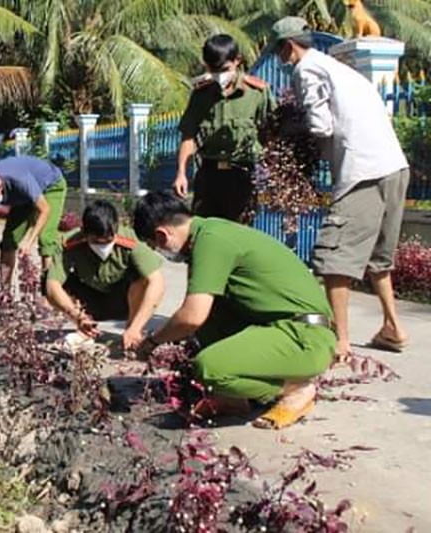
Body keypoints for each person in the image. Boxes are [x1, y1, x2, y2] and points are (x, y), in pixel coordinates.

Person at [132, 192, 336, 429]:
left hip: (304, 338)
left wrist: (151, 342)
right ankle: (232, 399)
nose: (160, 253)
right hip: (289, 330)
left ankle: (294, 389)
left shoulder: (212, 240)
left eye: (154, 246)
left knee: (209, 368)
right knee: (212, 309)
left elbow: (191, 317)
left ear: (161, 235)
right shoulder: (210, 233)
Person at [272, 17, 411, 358]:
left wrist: (293, 132)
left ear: (289, 46)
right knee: (379, 258)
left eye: (278, 51)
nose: (279, 58)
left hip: (361, 170)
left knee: (335, 259)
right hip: (394, 165)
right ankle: (393, 327)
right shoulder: (344, 70)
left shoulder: (305, 70)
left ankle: (340, 341)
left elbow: (321, 126)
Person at [174, 34, 275, 222]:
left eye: (225, 69)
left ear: (237, 61)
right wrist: (181, 173)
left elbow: (272, 135)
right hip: (209, 176)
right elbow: (188, 136)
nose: (219, 75)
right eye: (213, 70)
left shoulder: (257, 94)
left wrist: (272, 173)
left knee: (239, 236)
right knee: (204, 232)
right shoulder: (201, 96)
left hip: (242, 176)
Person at [45, 200, 166, 351]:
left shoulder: (130, 240)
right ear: (84, 232)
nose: (103, 246)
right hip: (89, 302)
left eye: (108, 241)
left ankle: (132, 333)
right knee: (49, 278)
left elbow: (157, 281)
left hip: (124, 301)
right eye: (96, 242)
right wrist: (77, 316)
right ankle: (86, 328)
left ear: (115, 230)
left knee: (141, 278)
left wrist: (136, 326)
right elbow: (52, 286)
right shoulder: (70, 243)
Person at [0, 155, 67, 286]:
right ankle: (5, 293)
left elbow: (45, 210)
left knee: (46, 239)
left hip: (51, 186)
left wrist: (29, 242)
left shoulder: (19, 180)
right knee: (8, 242)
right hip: (23, 198)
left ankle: (49, 294)